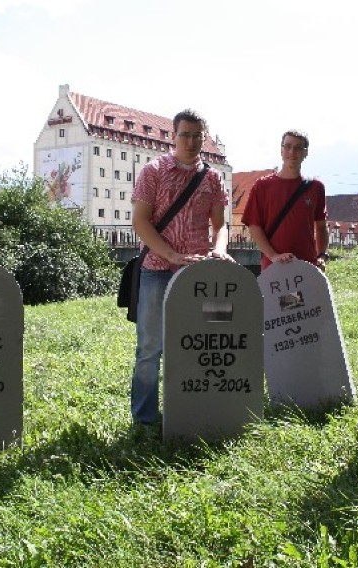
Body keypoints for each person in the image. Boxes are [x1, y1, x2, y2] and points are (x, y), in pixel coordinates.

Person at [130, 109, 232, 425]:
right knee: (150, 348)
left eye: (197, 135)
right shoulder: (153, 171)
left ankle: (193, 411)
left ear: (204, 137)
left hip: (201, 275)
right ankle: (145, 420)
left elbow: (221, 225)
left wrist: (219, 249)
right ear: (173, 137)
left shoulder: (212, 177)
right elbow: (139, 222)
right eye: (185, 134)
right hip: (158, 269)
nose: (191, 141)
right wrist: (171, 255)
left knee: (203, 343)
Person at [242, 129, 330, 271]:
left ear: (305, 153)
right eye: (287, 146)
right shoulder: (262, 186)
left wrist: (322, 256)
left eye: (298, 148)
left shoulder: (316, 187)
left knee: (308, 295)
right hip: (274, 267)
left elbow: (321, 226)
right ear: (281, 150)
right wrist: (273, 256)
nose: (292, 152)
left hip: (307, 265)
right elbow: (254, 226)